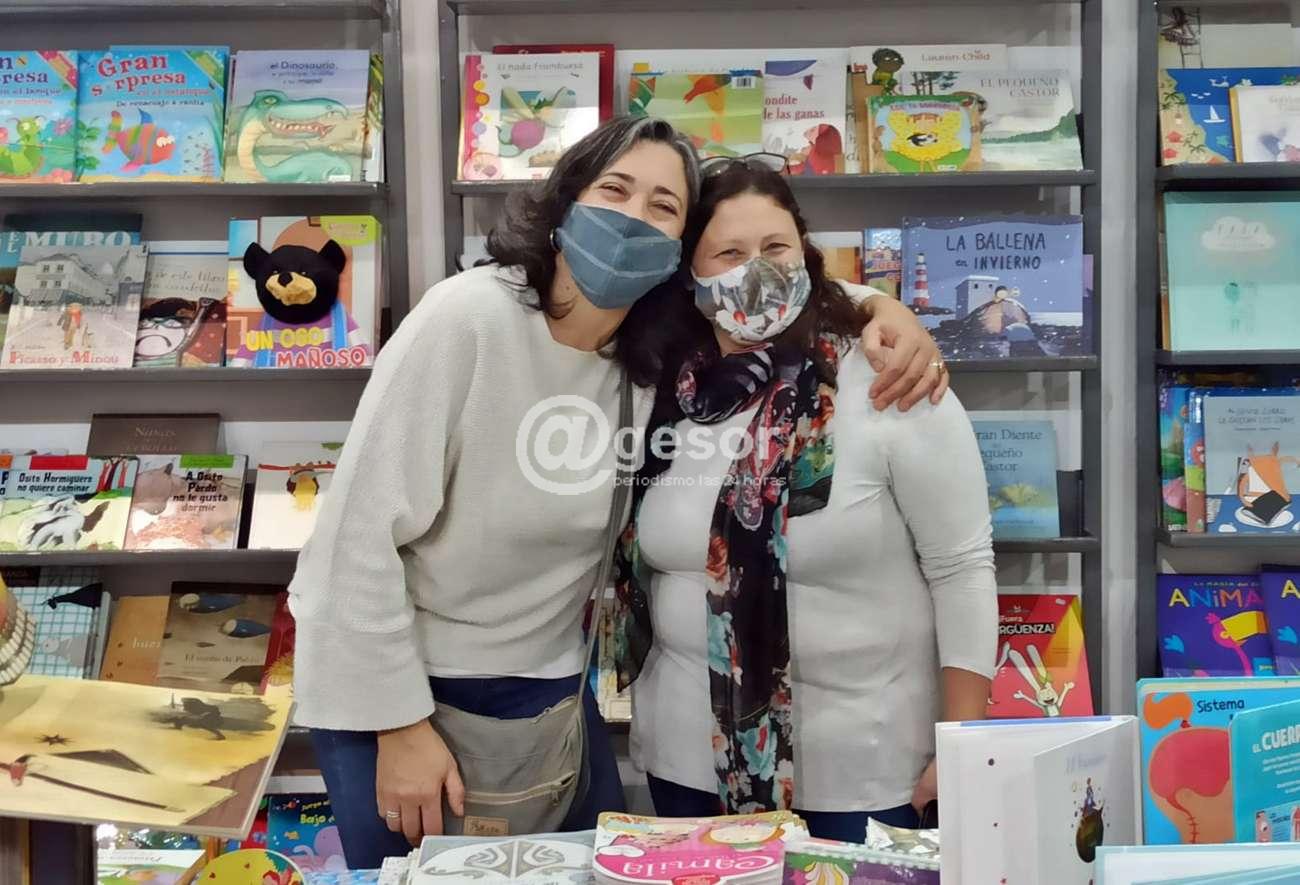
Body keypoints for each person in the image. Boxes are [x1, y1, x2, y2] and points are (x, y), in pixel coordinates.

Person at [288, 117, 947, 869]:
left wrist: (883, 310)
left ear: (679, 253)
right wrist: (399, 726)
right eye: (615, 190)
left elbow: (775, 273)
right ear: (566, 200)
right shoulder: (466, 318)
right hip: (408, 695)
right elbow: (353, 541)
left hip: (554, 698)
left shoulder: (649, 358)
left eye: (664, 207)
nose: (634, 218)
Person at [613, 159, 997, 842]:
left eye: (775, 248)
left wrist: (964, 740)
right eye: (729, 254)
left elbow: (962, 566)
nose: (757, 271)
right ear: (690, 275)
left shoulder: (886, 378)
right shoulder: (663, 389)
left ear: (806, 255)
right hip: (685, 765)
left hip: (865, 768)